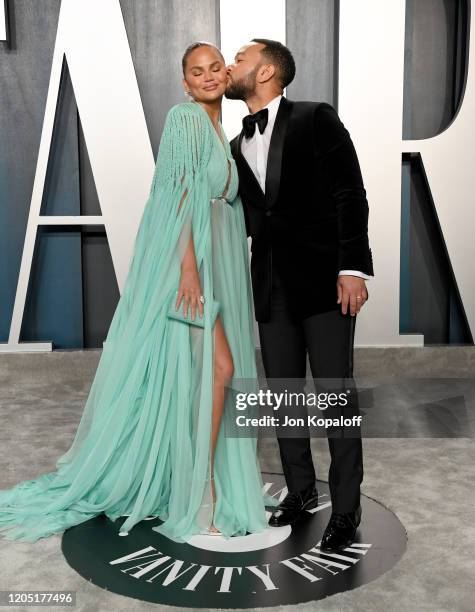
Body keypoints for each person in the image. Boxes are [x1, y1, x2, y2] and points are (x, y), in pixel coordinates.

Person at [0, 41, 278, 543]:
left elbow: (222, 202)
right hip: (192, 267)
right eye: (198, 71)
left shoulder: (224, 133)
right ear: (185, 83)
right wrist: (188, 270)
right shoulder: (185, 121)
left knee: (204, 375)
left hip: (224, 263)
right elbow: (176, 195)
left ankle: (196, 482)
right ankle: (203, 490)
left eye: (217, 67)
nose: (211, 76)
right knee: (219, 370)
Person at [225, 39, 374, 551]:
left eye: (239, 59)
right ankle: (301, 492)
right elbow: (248, 217)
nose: (230, 65)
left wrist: (353, 267)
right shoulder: (234, 144)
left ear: (266, 71)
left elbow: (349, 192)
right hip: (270, 287)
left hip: (325, 283)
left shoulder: (315, 118)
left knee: (335, 396)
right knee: (284, 396)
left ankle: (347, 511)